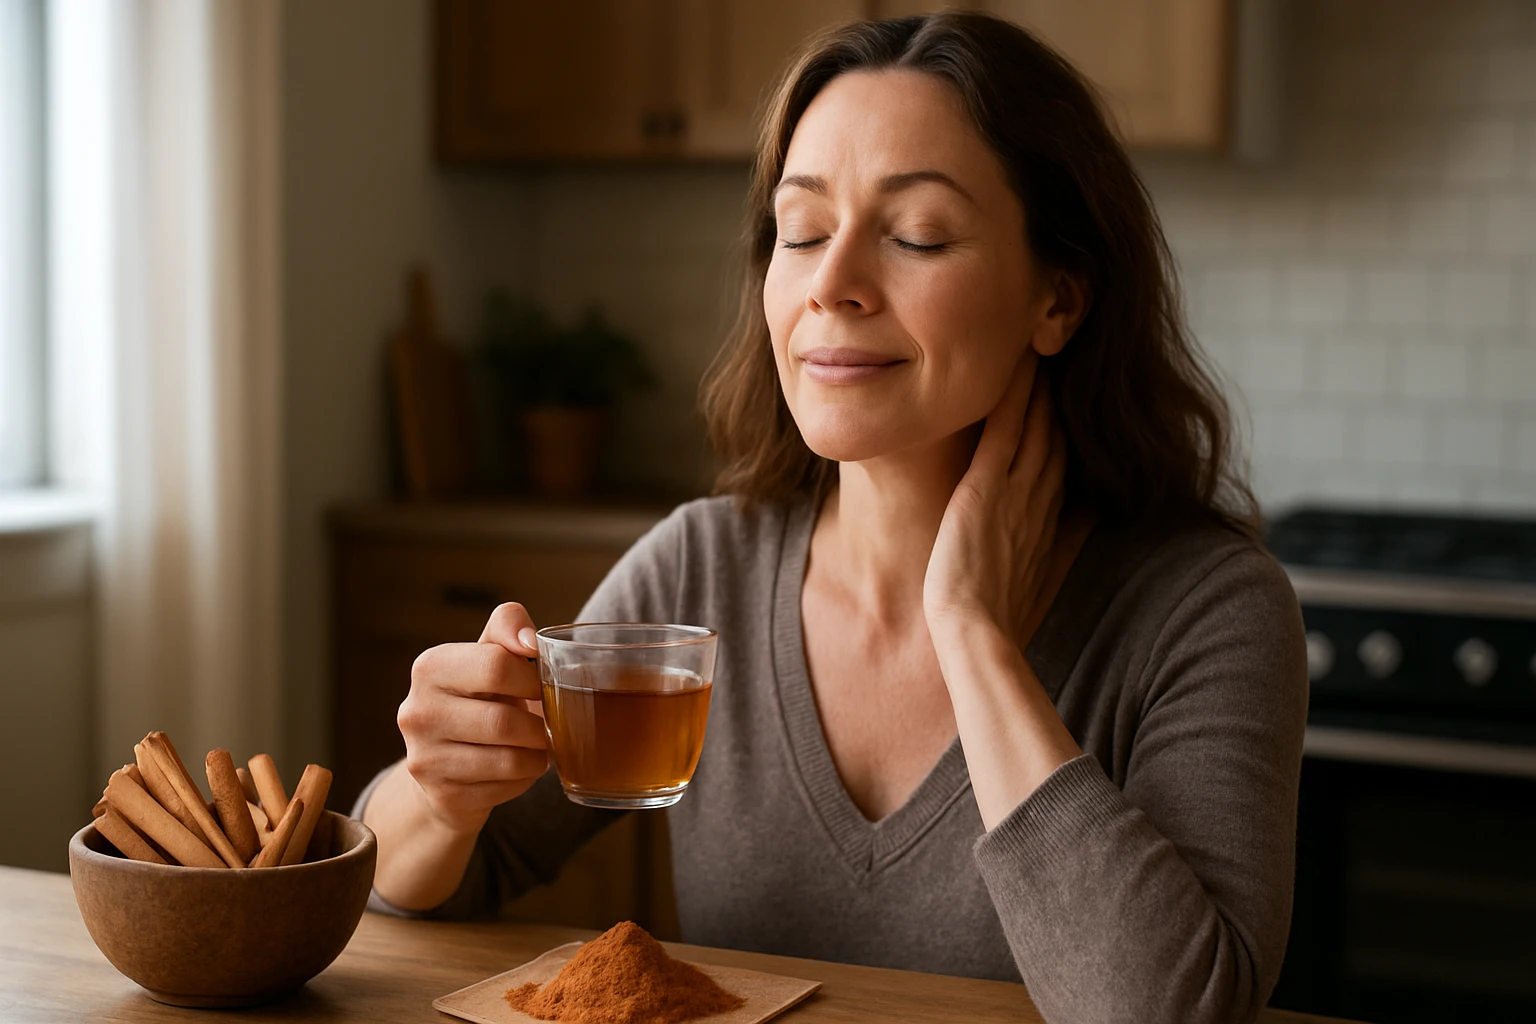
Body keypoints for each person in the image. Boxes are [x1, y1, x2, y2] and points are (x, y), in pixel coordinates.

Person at [358, 11, 1307, 1024]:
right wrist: (439, 792)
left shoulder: (1210, 611)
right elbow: (422, 876)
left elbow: (1175, 1010)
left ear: (1059, 301)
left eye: (917, 236)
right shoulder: (700, 568)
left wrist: (975, 637)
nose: (831, 283)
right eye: (801, 231)